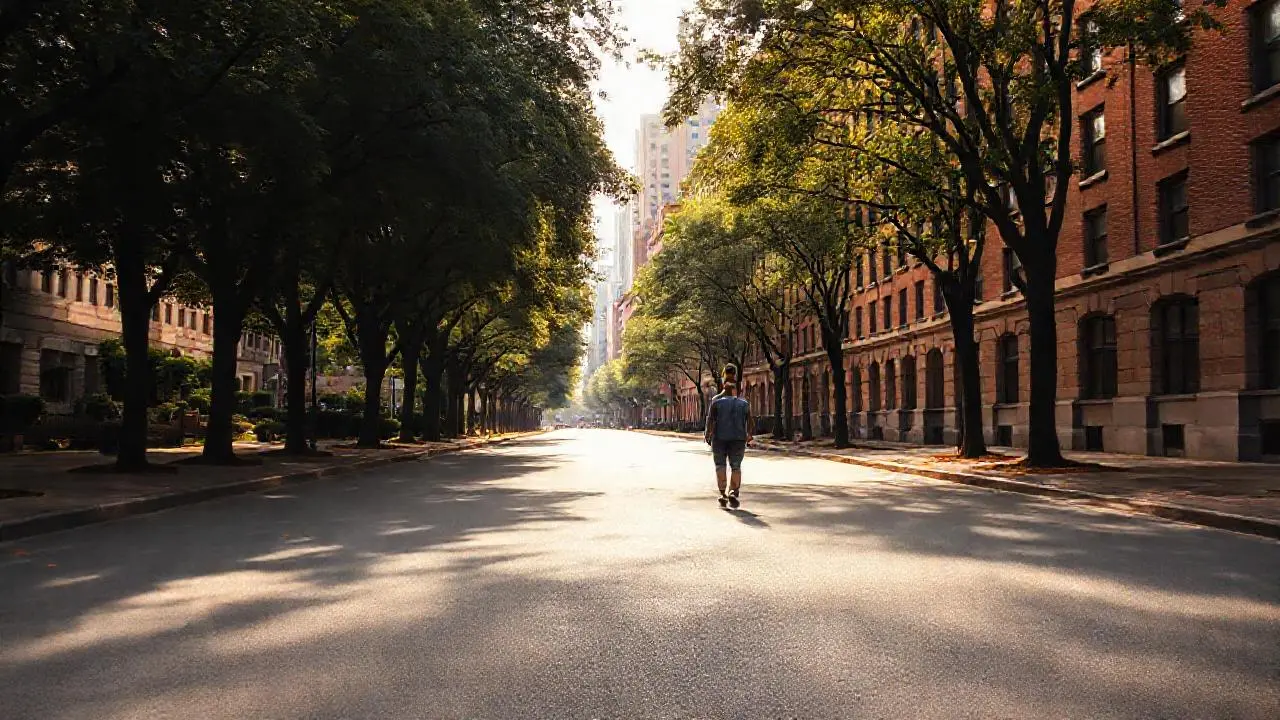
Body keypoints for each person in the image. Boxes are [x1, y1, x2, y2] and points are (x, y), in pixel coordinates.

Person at [704, 364, 752, 508]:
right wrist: (749, 435)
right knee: (736, 466)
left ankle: (722, 493)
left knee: (720, 465)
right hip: (738, 439)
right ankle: (733, 491)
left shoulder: (716, 401)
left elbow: (710, 419)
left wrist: (708, 434)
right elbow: (750, 421)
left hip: (719, 439)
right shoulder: (743, 403)